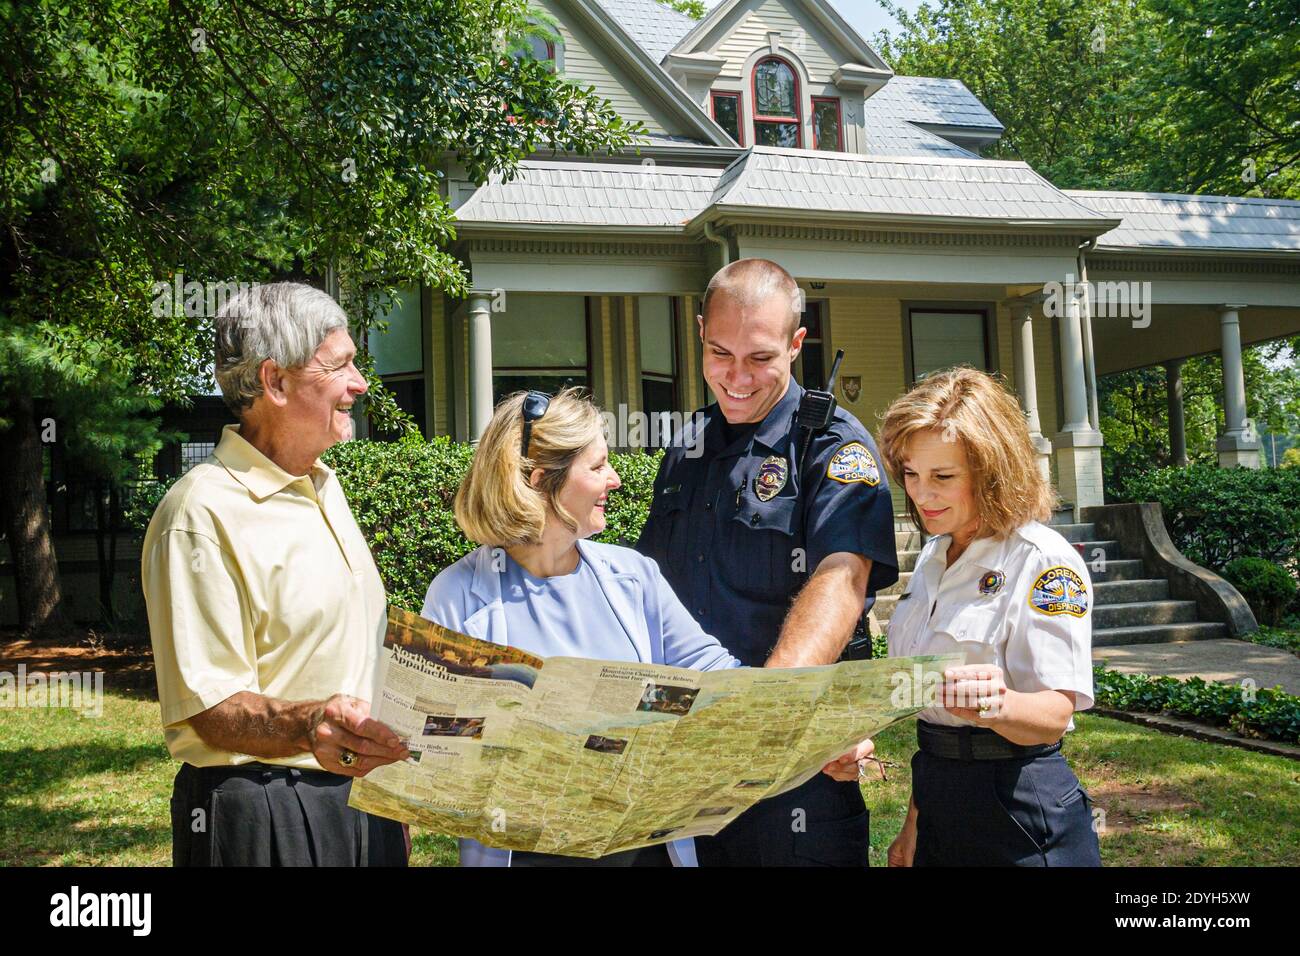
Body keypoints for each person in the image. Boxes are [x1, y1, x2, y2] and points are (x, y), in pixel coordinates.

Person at [636, 258, 899, 867]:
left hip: (791, 767)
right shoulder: (687, 445)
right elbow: (648, 590)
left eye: (759, 358)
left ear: (796, 344)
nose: (736, 377)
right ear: (700, 331)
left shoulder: (833, 446)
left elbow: (841, 579)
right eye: (719, 352)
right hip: (684, 762)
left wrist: (764, 716)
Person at [141, 281, 410, 867]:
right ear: (275, 381)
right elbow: (208, 708)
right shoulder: (198, 513)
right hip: (265, 812)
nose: (359, 385)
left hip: (362, 801)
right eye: (338, 366)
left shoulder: (326, 487)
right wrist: (309, 722)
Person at [421, 387, 749, 867]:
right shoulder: (457, 596)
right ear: (540, 481)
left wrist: (809, 723)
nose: (615, 479)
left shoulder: (634, 576)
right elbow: (434, 745)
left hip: (644, 853)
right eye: (597, 467)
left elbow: (713, 673)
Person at [879, 367, 1101, 867]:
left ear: (992, 471)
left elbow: (1054, 716)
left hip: (1019, 809)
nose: (920, 494)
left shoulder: (1043, 560)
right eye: (911, 473)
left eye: (943, 477)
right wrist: (914, 824)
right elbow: (938, 724)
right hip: (939, 796)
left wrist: (994, 704)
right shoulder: (935, 556)